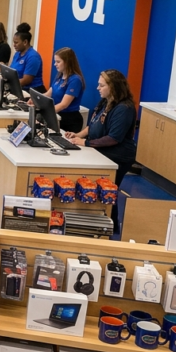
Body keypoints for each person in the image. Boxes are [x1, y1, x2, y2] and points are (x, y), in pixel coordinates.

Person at [64, 69, 136, 227]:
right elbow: (93, 125)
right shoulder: (105, 102)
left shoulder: (124, 109)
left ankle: (111, 225)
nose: (98, 88)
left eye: (102, 85)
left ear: (113, 87)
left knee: (109, 190)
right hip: (101, 150)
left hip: (118, 156)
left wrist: (85, 143)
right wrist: (78, 135)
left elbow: (113, 138)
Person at [34, 47, 85, 133]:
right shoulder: (59, 76)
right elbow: (48, 94)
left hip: (69, 120)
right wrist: (35, 100)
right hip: (56, 114)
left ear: (67, 62)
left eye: (58, 62)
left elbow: (64, 104)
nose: (55, 64)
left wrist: (45, 112)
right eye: (55, 61)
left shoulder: (75, 80)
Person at [12, 23, 44, 93]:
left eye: (16, 43)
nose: (14, 45)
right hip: (19, 88)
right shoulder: (17, 54)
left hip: (33, 90)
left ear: (25, 42)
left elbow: (26, 80)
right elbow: (11, 71)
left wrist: (9, 84)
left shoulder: (33, 56)